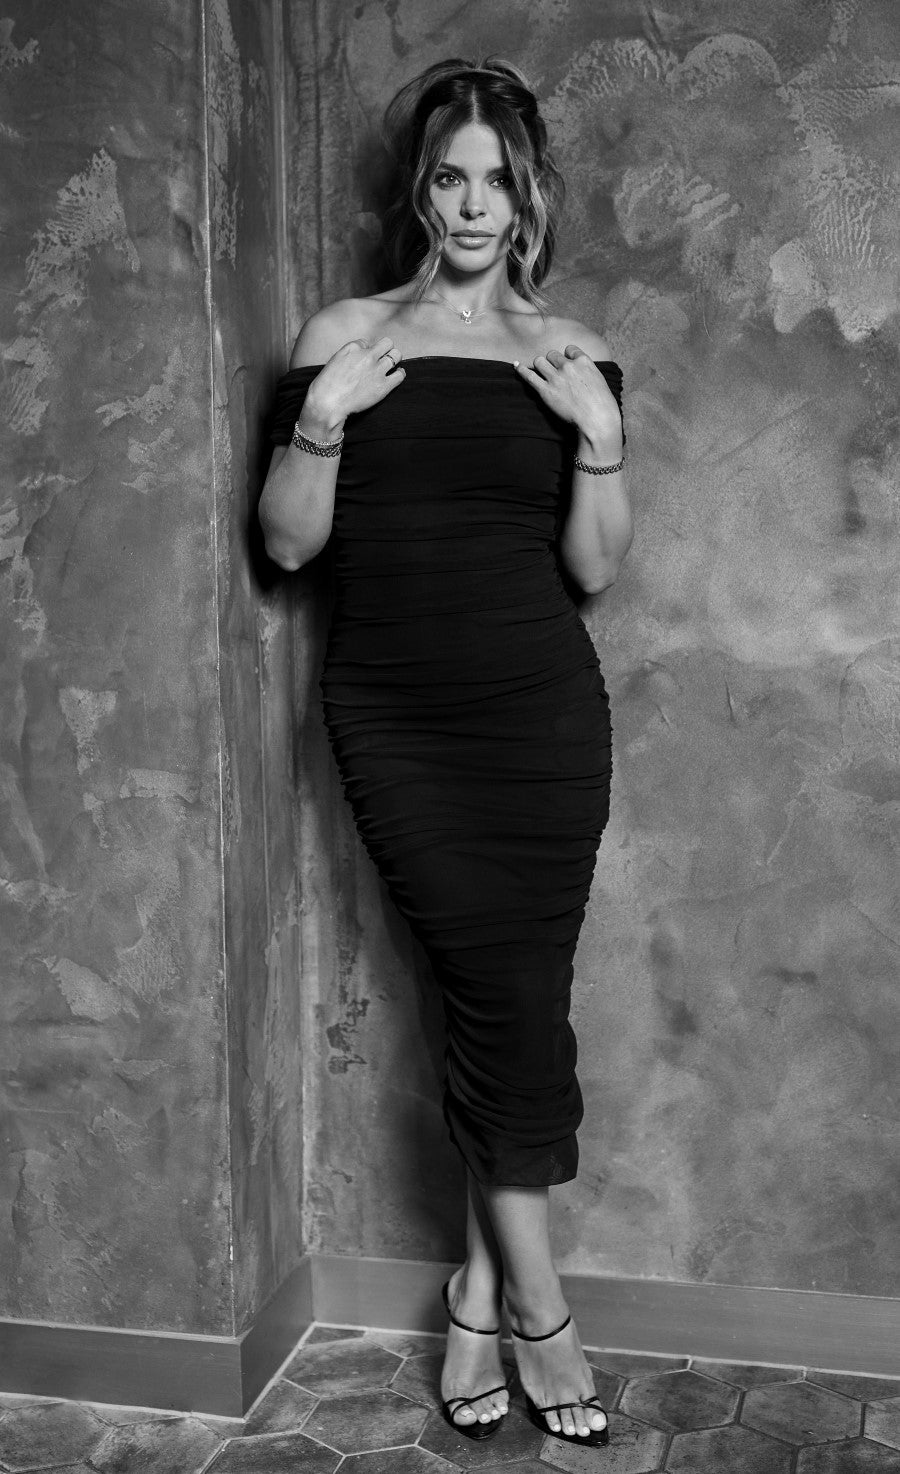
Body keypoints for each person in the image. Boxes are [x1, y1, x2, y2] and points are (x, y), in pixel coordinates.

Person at [259, 56, 633, 1449]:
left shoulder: (569, 351)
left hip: (542, 721)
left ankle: (482, 1291)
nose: (473, 204)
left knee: (513, 1004)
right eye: (450, 178)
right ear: (421, 192)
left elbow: (595, 569)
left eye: (498, 182)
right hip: (398, 718)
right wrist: (322, 417)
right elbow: (288, 544)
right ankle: (544, 1309)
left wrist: (600, 435)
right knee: (489, 995)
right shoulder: (347, 334)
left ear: (527, 198)